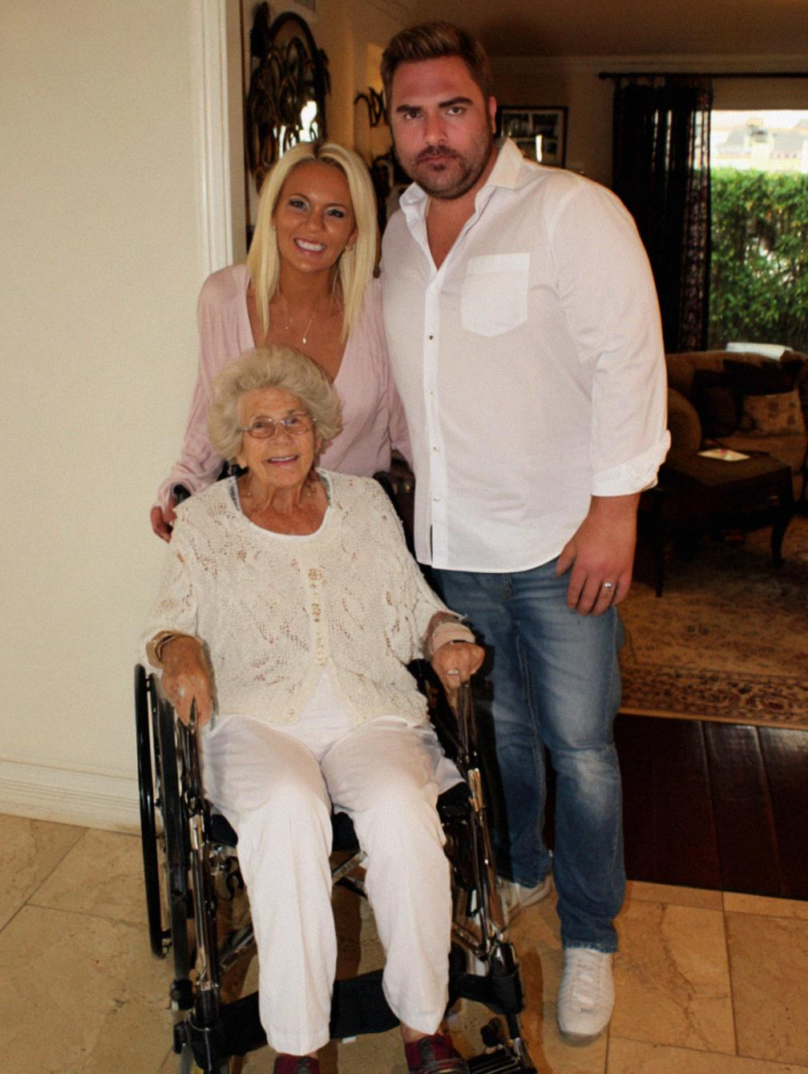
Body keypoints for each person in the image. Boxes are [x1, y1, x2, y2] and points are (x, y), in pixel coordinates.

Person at [379, 22, 670, 1044]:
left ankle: (590, 935)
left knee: (580, 748)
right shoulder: (394, 233)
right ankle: (524, 868)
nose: (433, 132)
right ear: (392, 124)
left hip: (562, 545)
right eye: (411, 113)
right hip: (451, 547)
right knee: (495, 734)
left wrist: (616, 510)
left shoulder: (572, 213)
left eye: (451, 107)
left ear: (490, 111)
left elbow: (629, 362)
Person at [144, 346, 483, 1074]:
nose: (280, 438)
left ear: (320, 429)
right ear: (236, 444)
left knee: (402, 811)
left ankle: (424, 1027)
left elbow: (414, 606)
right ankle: (297, 1049)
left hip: (369, 712)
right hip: (256, 719)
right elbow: (169, 622)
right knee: (289, 813)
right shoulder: (203, 522)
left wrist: (445, 637)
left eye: (294, 420)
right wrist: (180, 648)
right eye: (260, 426)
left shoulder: (365, 503)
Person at [150, 141, 409, 541]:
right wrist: (182, 489)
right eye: (298, 205)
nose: (313, 226)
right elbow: (212, 413)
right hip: (252, 536)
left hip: (355, 539)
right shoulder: (224, 299)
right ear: (272, 213)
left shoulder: (380, 309)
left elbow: (412, 431)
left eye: (335, 213)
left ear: (354, 233)